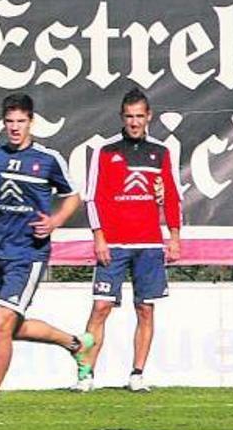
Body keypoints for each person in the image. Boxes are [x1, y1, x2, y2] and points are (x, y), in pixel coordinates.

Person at [0, 93, 93, 417]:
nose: (15, 128)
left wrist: (55, 221)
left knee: (1, 323)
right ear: (3, 123)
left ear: (31, 122)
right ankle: (76, 344)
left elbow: (73, 197)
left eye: (21, 121)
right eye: (10, 122)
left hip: (29, 254)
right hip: (0, 251)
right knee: (12, 328)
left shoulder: (47, 159)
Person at [74, 87, 182, 393]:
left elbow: (172, 196)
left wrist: (173, 236)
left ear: (149, 117)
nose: (134, 122)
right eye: (129, 116)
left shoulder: (161, 151)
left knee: (145, 308)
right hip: (115, 243)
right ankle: (85, 374)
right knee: (101, 307)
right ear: (121, 117)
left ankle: (137, 374)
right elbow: (93, 197)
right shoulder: (106, 151)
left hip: (148, 243)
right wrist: (99, 237)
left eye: (139, 116)